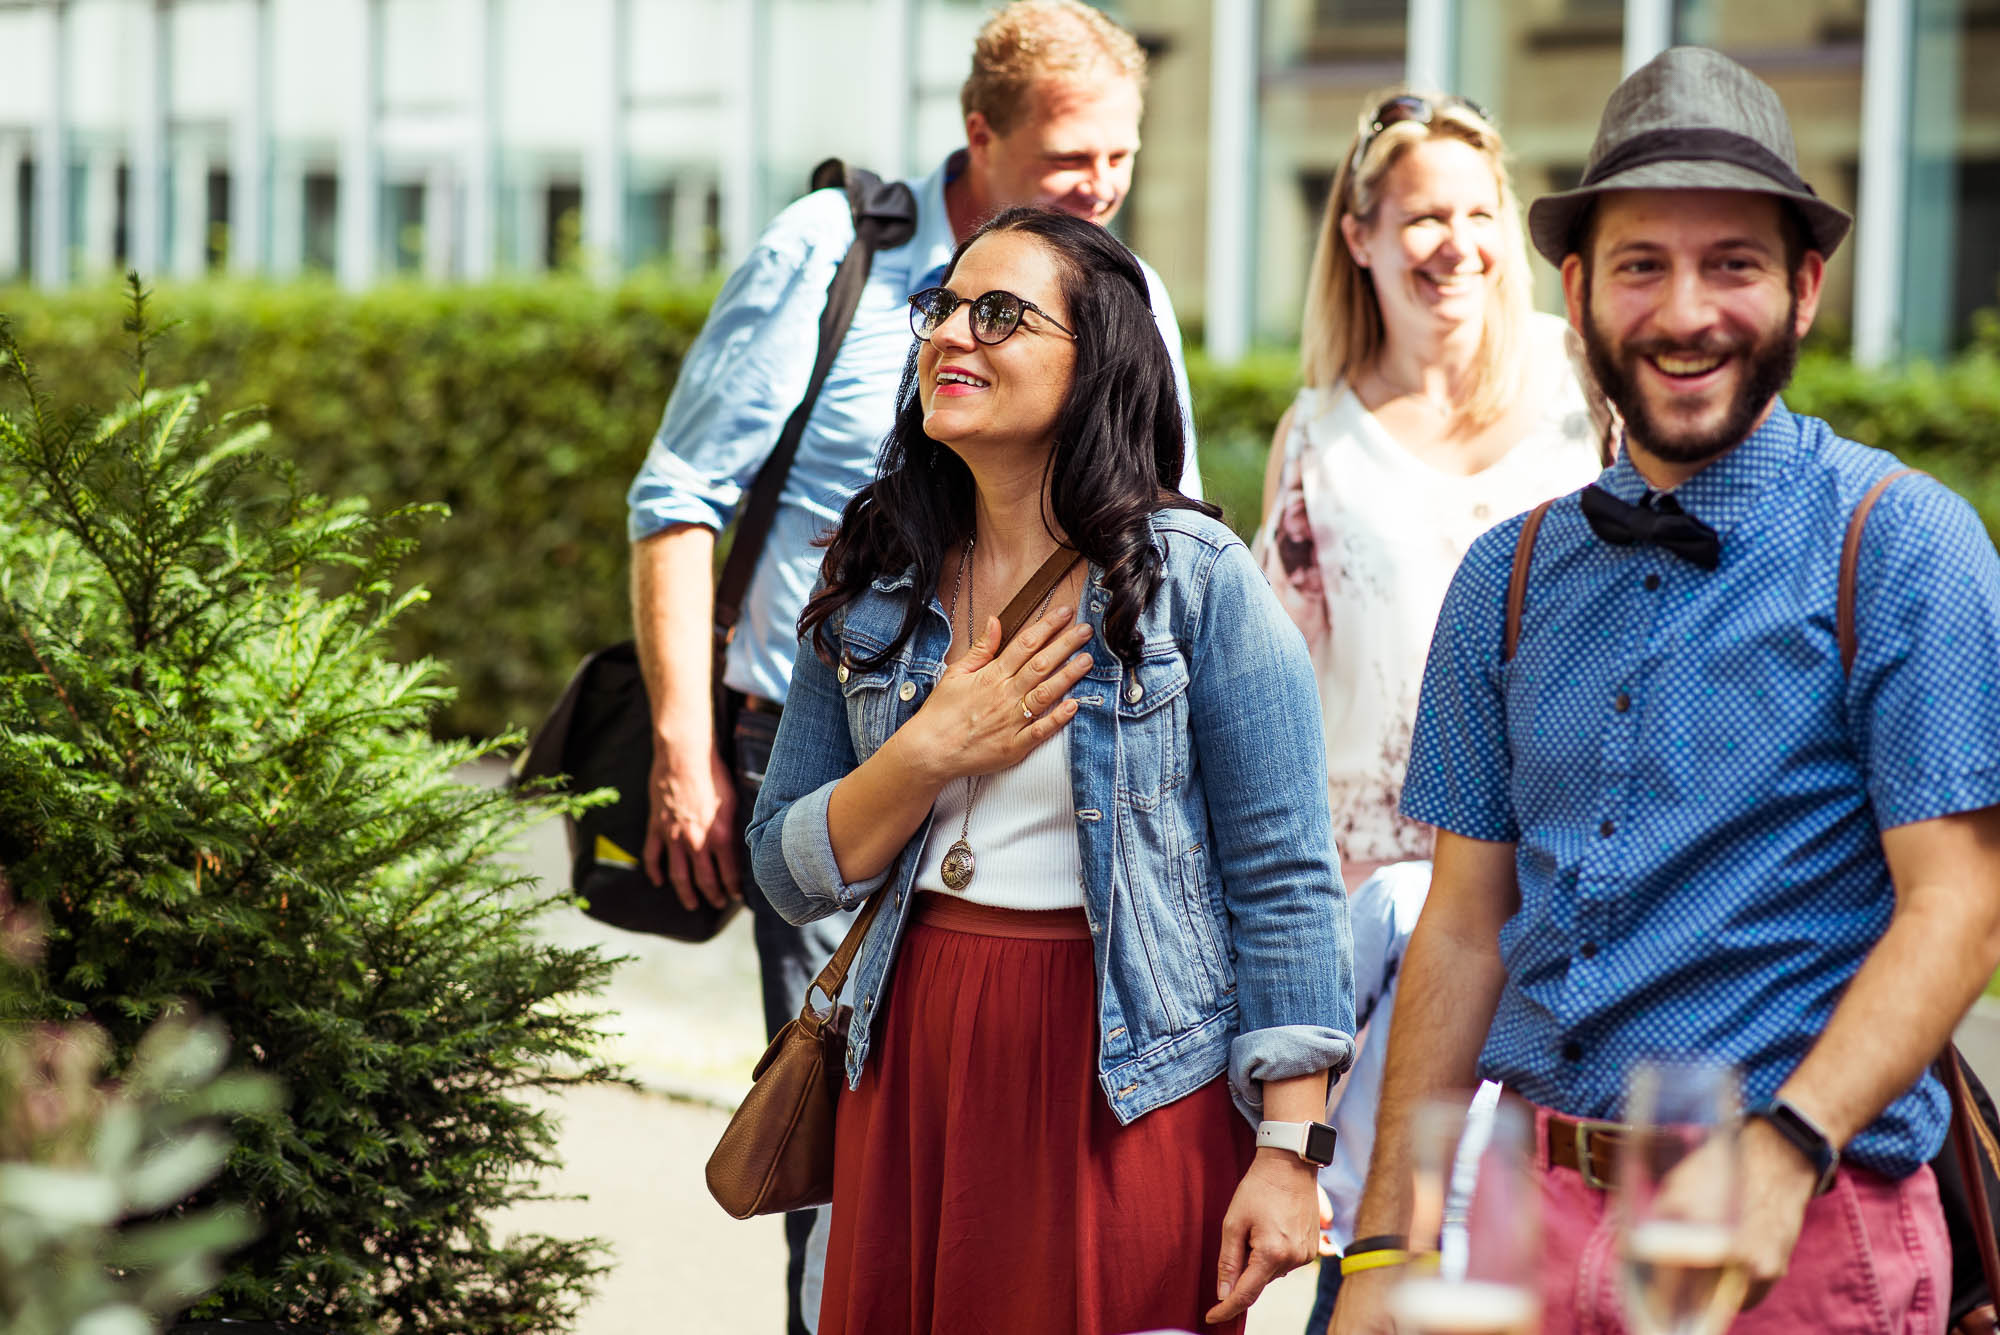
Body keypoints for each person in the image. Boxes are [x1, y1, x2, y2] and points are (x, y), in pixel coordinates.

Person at [1331, 46, 2000, 1335]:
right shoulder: (1505, 578)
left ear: (1803, 290)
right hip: (1524, 1211)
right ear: (1576, 290)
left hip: (1788, 1222)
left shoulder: (1899, 543)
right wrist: (1383, 1243)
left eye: (1731, 265)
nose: (1683, 312)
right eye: (1641, 265)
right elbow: (1463, 928)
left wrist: (1784, 1150)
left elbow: (1958, 905)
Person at [622, 4, 1198, 1329]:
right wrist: (684, 743)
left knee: (999, 1164)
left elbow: (1162, 539)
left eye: (1119, 158)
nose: (1099, 189)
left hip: (1048, 775)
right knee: (846, 1135)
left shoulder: (1128, 295)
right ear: (980, 135)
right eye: (1069, 160)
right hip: (831, 750)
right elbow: (679, 495)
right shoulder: (835, 253)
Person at [745, 206, 1356, 1335]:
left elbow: (1283, 880)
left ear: (1095, 368)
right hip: (911, 1052)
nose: (950, 338)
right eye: (940, 309)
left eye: (999, 315)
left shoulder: (1195, 582)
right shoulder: (875, 570)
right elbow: (786, 872)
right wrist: (928, 750)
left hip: (1122, 1072)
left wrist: (1287, 1152)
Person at [1248, 90, 1602, 1332]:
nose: (1453, 243)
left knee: (1515, 1245)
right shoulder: (1320, 439)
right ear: (1356, 236)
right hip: (1372, 920)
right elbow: (1271, 700)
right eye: (1418, 218)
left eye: (1476, 212)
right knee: (1375, 1250)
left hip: (1548, 895)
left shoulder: (1581, 392)